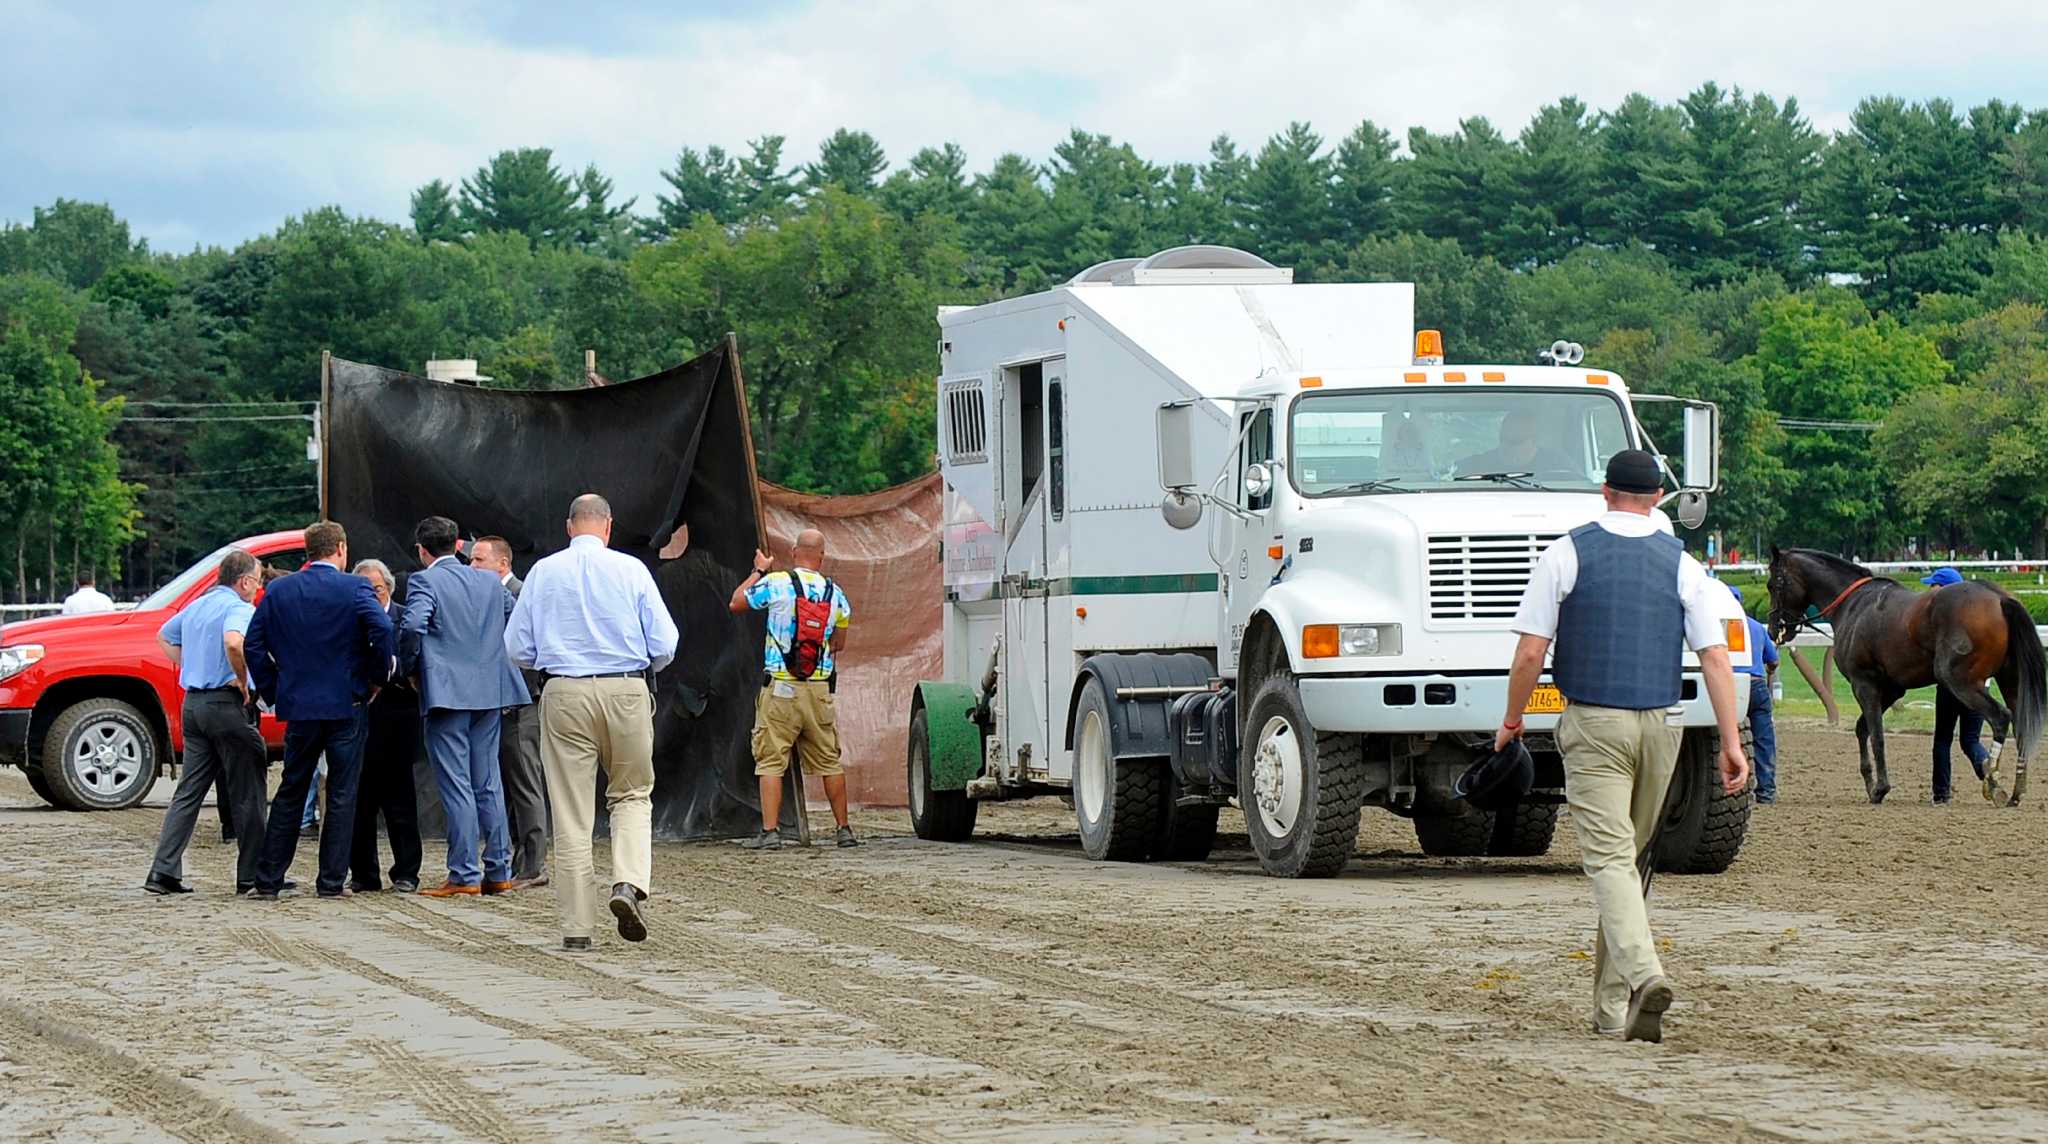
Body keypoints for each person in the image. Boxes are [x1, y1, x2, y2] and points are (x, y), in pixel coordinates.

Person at [1497, 449, 1749, 1044]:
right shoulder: (1683, 563)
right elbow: (1715, 656)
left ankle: (1645, 974)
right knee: (1629, 864)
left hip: (1594, 723)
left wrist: (1511, 720)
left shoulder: (1566, 552)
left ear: (1605, 492)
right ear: (1659, 497)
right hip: (1663, 725)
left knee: (1609, 861)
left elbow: (1531, 652)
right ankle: (1612, 1012)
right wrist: (1731, 741)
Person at [505, 494, 677, 949]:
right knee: (633, 794)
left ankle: (577, 930)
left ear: (569, 527)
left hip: (563, 691)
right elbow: (665, 642)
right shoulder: (632, 570)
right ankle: (627, 882)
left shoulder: (542, 573)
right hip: (626, 688)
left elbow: (517, 647)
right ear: (608, 526)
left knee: (571, 814)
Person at [244, 521, 395, 900]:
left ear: (307, 552)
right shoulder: (355, 587)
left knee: (292, 789)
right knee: (343, 792)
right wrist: (375, 678)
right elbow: (382, 628)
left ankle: (269, 878)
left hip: (300, 705)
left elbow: (253, 644)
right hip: (347, 701)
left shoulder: (279, 590)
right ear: (341, 548)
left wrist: (273, 689)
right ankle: (330, 881)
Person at [400, 516, 529, 897]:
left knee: (457, 785)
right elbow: (515, 620)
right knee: (487, 782)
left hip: (446, 694)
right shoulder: (490, 581)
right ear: (460, 546)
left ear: (423, 551)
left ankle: (464, 874)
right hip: (490, 691)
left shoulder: (425, 580)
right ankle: (500, 870)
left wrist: (411, 670)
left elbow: (412, 626)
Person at [142, 549, 269, 895]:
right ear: (244, 581)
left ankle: (163, 871)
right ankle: (252, 875)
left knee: (188, 792)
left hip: (193, 705)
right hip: (224, 705)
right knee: (248, 790)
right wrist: (243, 679)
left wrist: (191, 664)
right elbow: (233, 641)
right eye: (257, 582)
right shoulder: (239, 608)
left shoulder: (195, 606)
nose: (257, 589)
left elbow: (164, 636)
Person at [729, 529, 858, 850]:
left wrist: (759, 570)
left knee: (771, 761)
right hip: (818, 690)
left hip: (781, 688)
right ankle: (844, 830)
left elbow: (736, 602)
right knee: (829, 761)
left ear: (795, 552)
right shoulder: (836, 594)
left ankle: (770, 833)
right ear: (822, 556)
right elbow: (838, 644)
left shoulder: (777, 583)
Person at [471, 534, 548, 887]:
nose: (472, 567)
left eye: (478, 560)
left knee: (525, 782)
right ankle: (520, 859)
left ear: (502, 563)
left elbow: (529, 650)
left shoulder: (519, 595)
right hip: (501, 704)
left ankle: (534, 865)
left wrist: (521, 695)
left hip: (521, 703)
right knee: (508, 782)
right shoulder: (492, 596)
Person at [348, 559, 424, 893]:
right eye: (363, 590)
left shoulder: (405, 617)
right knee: (360, 800)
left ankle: (407, 872)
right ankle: (364, 874)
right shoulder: (348, 618)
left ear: (389, 588)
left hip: (398, 714)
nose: (370, 595)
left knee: (400, 798)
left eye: (375, 589)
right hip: (360, 715)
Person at [1922, 566, 1991, 803]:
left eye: (1933, 585)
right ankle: (1986, 766)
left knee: (1943, 739)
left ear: (1942, 588)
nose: (1930, 590)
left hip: (1952, 685)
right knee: (1970, 740)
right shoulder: (1978, 616)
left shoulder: (1943, 619)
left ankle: (1941, 795)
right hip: (1981, 687)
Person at [1726, 584, 1781, 803]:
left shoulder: (1717, 626)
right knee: (1764, 739)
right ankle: (1766, 791)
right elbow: (1773, 660)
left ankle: (1731, 790)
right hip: (1757, 685)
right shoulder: (1756, 627)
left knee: (1727, 740)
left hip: (1730, 686)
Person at [1455, 413, 1577, 479]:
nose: (1509, 447)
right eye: (1505, 440)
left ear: (1534, 440)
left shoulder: (1559, 464)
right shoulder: (1476, 465)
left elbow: (1584, 485)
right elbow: (1444, 478)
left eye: (1517, 441)